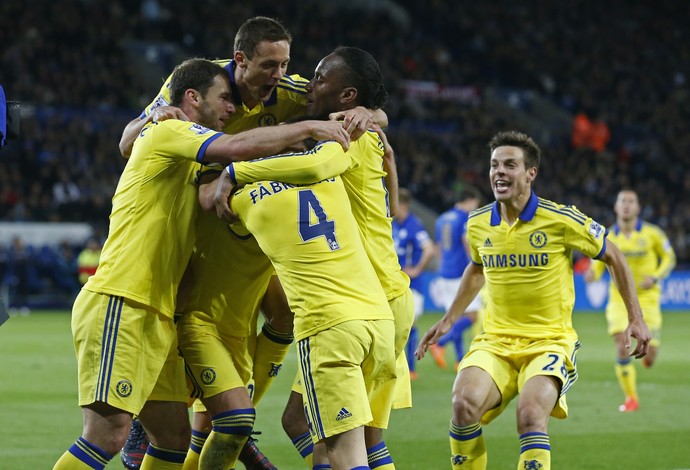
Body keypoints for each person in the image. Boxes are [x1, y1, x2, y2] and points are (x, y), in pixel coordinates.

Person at [53, 57, 350, 470]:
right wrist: (308, 129)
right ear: (192, 97)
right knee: (107, 435)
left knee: (173, 439)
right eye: (224, 99)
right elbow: (232, 147)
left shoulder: (191, 159)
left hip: (159, 312)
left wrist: (369, 113)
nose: (233, 109)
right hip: (123, 299)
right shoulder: (168, 130)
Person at [117, 17, 374, 470]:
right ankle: (168, 407)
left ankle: (237, 413)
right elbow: (127, 141)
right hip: (200, 215)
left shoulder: (290, 92)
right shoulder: (200, 81)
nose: (280, 75)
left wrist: (369, 114)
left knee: (284, 312)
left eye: (286, 64)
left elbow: (365, 105)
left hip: (250, 210)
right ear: (239, 60)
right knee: (178, 302)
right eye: (269, 65)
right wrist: (154, 117)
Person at [215, 46, 413, 470]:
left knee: (342, 441)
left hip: (358, 300)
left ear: (348, 97)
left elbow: (312, 168)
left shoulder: (347, 133)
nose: (308, 82)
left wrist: (236, 171)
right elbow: (391, 207)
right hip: (382, 300)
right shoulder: (362, 129)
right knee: (324, 431)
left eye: (321, 77)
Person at [416, 130, 651, 470]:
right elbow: (478, 268)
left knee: (529, 414)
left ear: (530, 173)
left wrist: (635, 317)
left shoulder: (561, 220)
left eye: (510, 165)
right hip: (495, 342)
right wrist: (450, 319)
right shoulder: (479, 222)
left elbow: (613, 255)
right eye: (495, 165)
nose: (499, 172)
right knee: (462, 404)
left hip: (548, 343)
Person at [229, 140, 397, 470]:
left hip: (329, 328)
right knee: (320, 441)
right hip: (379, 322)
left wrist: (233, 172)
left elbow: (210, 200)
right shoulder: (330, 174)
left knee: (345, 454)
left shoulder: (249, 201)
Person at [585, 189, 676, 412]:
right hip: (619, 299)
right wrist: (592, 274)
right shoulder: (607, 236)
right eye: (622, 201)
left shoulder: (653, 234)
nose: (626, 205)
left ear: (637, 208)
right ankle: (631, 398)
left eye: (631, 202)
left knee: (650, 355)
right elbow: (598, 263)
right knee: (621, 344)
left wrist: (655, 276)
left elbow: (669, 257)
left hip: (648, 299)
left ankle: (646, 358)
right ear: (616, 207)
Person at [429, 186, 482, 371]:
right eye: (475, 204)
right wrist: (476, 266)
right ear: (469, 200)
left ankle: (460, 359)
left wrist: (441, 268)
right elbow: (466, 242)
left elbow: (437, 247)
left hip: (444, 273)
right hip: (460, 273)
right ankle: (440, 344)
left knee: (456, 316)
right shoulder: (464, 218)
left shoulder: (442, 219)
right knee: (472, 316)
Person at [392, 188, 434, 380]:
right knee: (394, 325)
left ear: (404, 205)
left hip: (412, 283)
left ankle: (410, 367)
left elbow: (429, 248)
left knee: (410, 324)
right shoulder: (394, 225)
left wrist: (417, 269)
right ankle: (397, 365)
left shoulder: (413, 225)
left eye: (395, 204)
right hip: (394, 283)